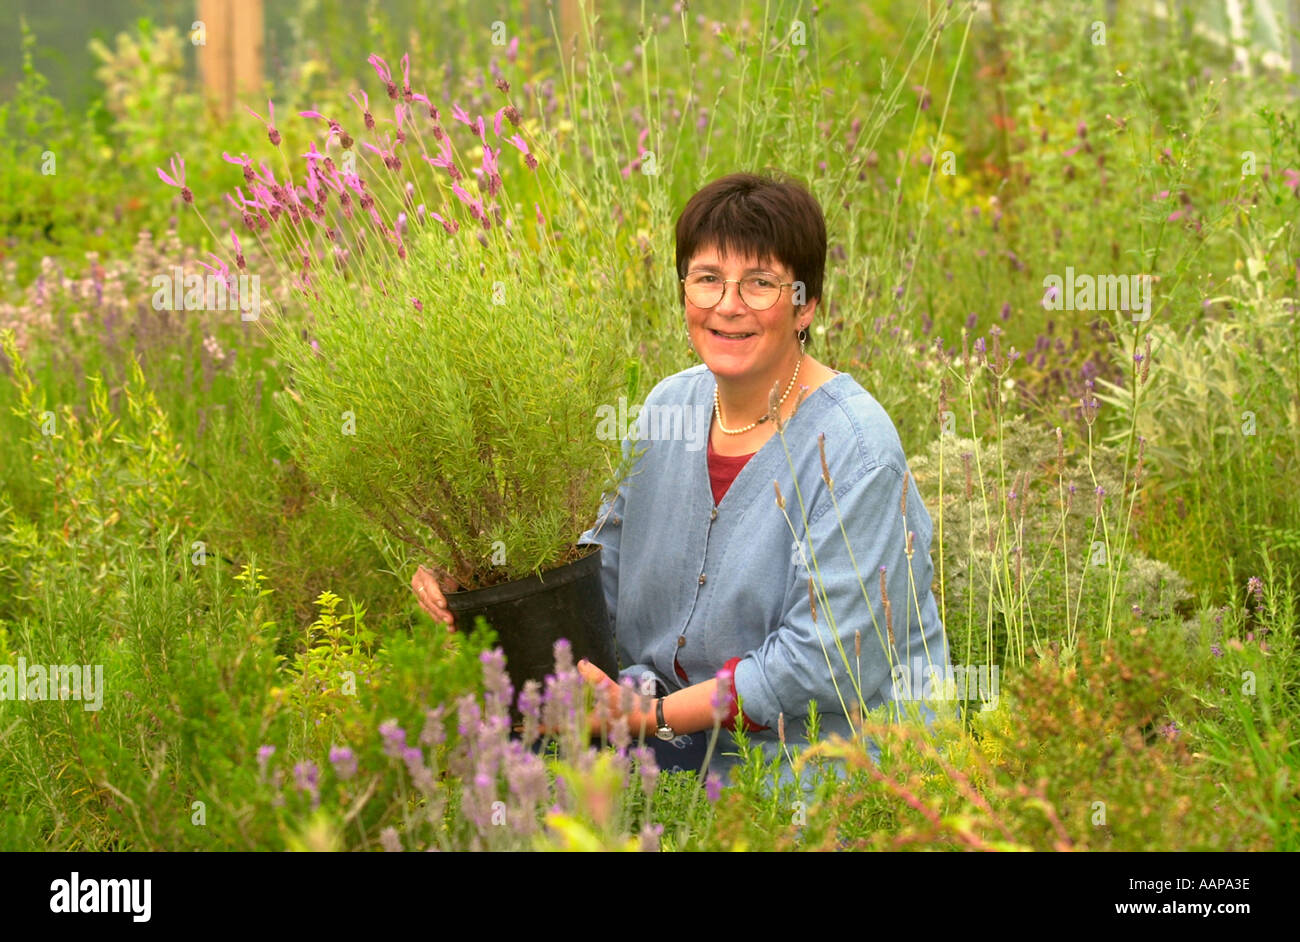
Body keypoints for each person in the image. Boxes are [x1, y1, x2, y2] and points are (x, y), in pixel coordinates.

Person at [413, 171, 950, 790]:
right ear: (684, 292)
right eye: (708, 279)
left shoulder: (855, 449)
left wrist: (650, 716)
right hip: (672, 736)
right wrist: (477, 584)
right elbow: (600, 579)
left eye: (760, 283)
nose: (728, 304)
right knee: (495, 783)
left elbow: (820, 664)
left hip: (822, 750)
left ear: (806, 303)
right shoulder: (668, 408)